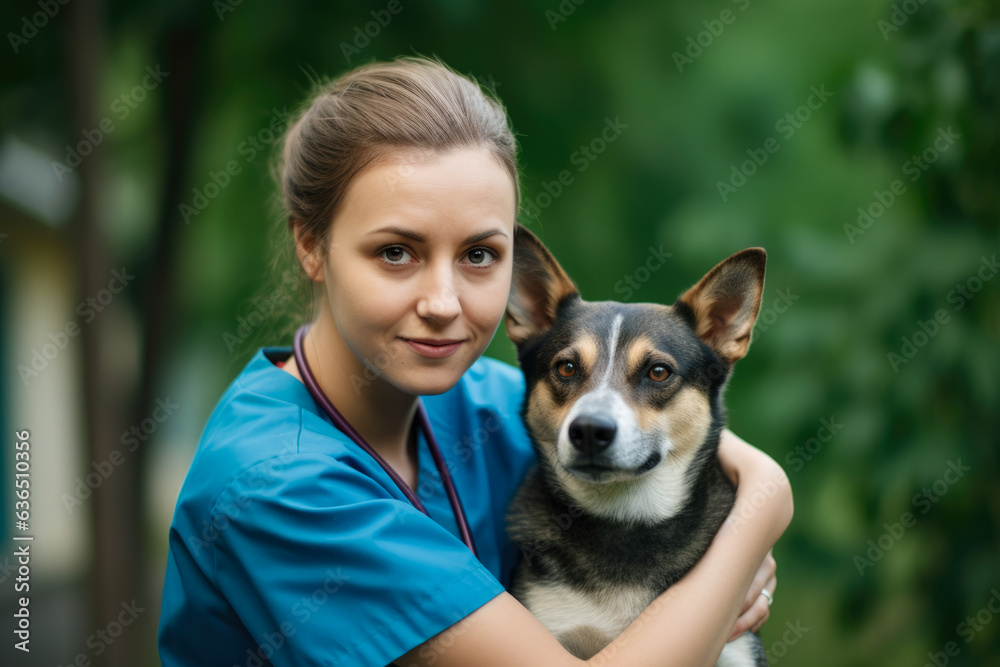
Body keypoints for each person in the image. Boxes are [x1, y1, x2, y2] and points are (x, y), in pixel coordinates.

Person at [157, 55, 793, 667]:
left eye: (480, 255)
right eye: (396, 253)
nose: (443, 302)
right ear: (312, 246)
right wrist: (762, 507)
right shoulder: (277, 486)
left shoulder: (491, 400)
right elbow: (748, 494)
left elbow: (690, 435)